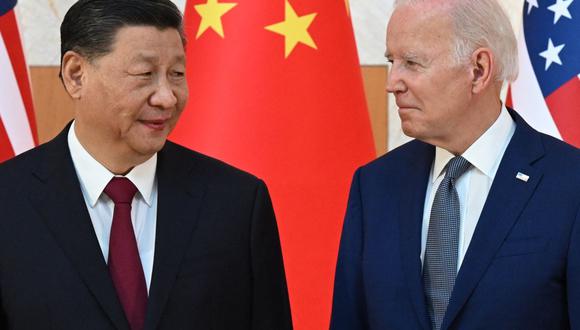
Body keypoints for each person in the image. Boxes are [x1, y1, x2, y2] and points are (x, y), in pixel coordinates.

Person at [0, 1, 292, 329]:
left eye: (177, 74)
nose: (167, 97)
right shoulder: (8, 200)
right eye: (144, 74)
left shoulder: (237, 203)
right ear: (76, 75)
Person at [330, 0, 580, 329]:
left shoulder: (569, 185)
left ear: (478, 70)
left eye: (412, 63)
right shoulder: (374, 185)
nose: (393, 83)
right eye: (392, 61)